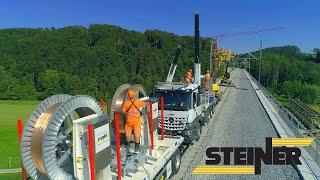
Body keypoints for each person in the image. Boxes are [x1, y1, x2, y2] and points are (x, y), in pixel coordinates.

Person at [121, 89, 146, 153]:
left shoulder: (126, 103)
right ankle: (137, 149)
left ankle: (128, 147)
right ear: (134, 95)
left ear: (129, 96)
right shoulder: (138, 102)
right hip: (136, 122)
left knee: (128, 134)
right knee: (137, 134)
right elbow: (145, 106)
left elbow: (123, 111)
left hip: (129, 121)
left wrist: (127, 113)